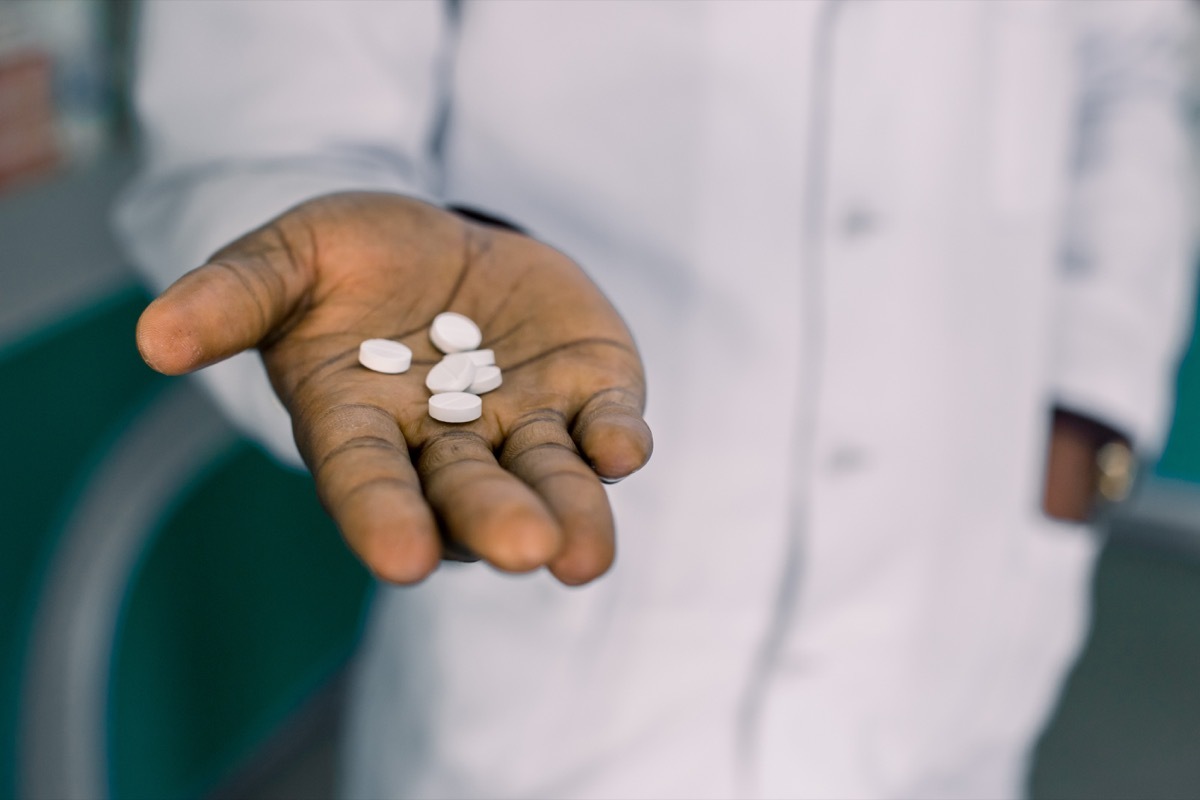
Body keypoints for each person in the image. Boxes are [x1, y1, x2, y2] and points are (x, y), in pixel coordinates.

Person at [115, 2, 1197, 798]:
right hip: (563, 660)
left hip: (946, 621)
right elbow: (267, 131)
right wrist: (335, 260)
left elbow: (1137, 60)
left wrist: (1086, 409)